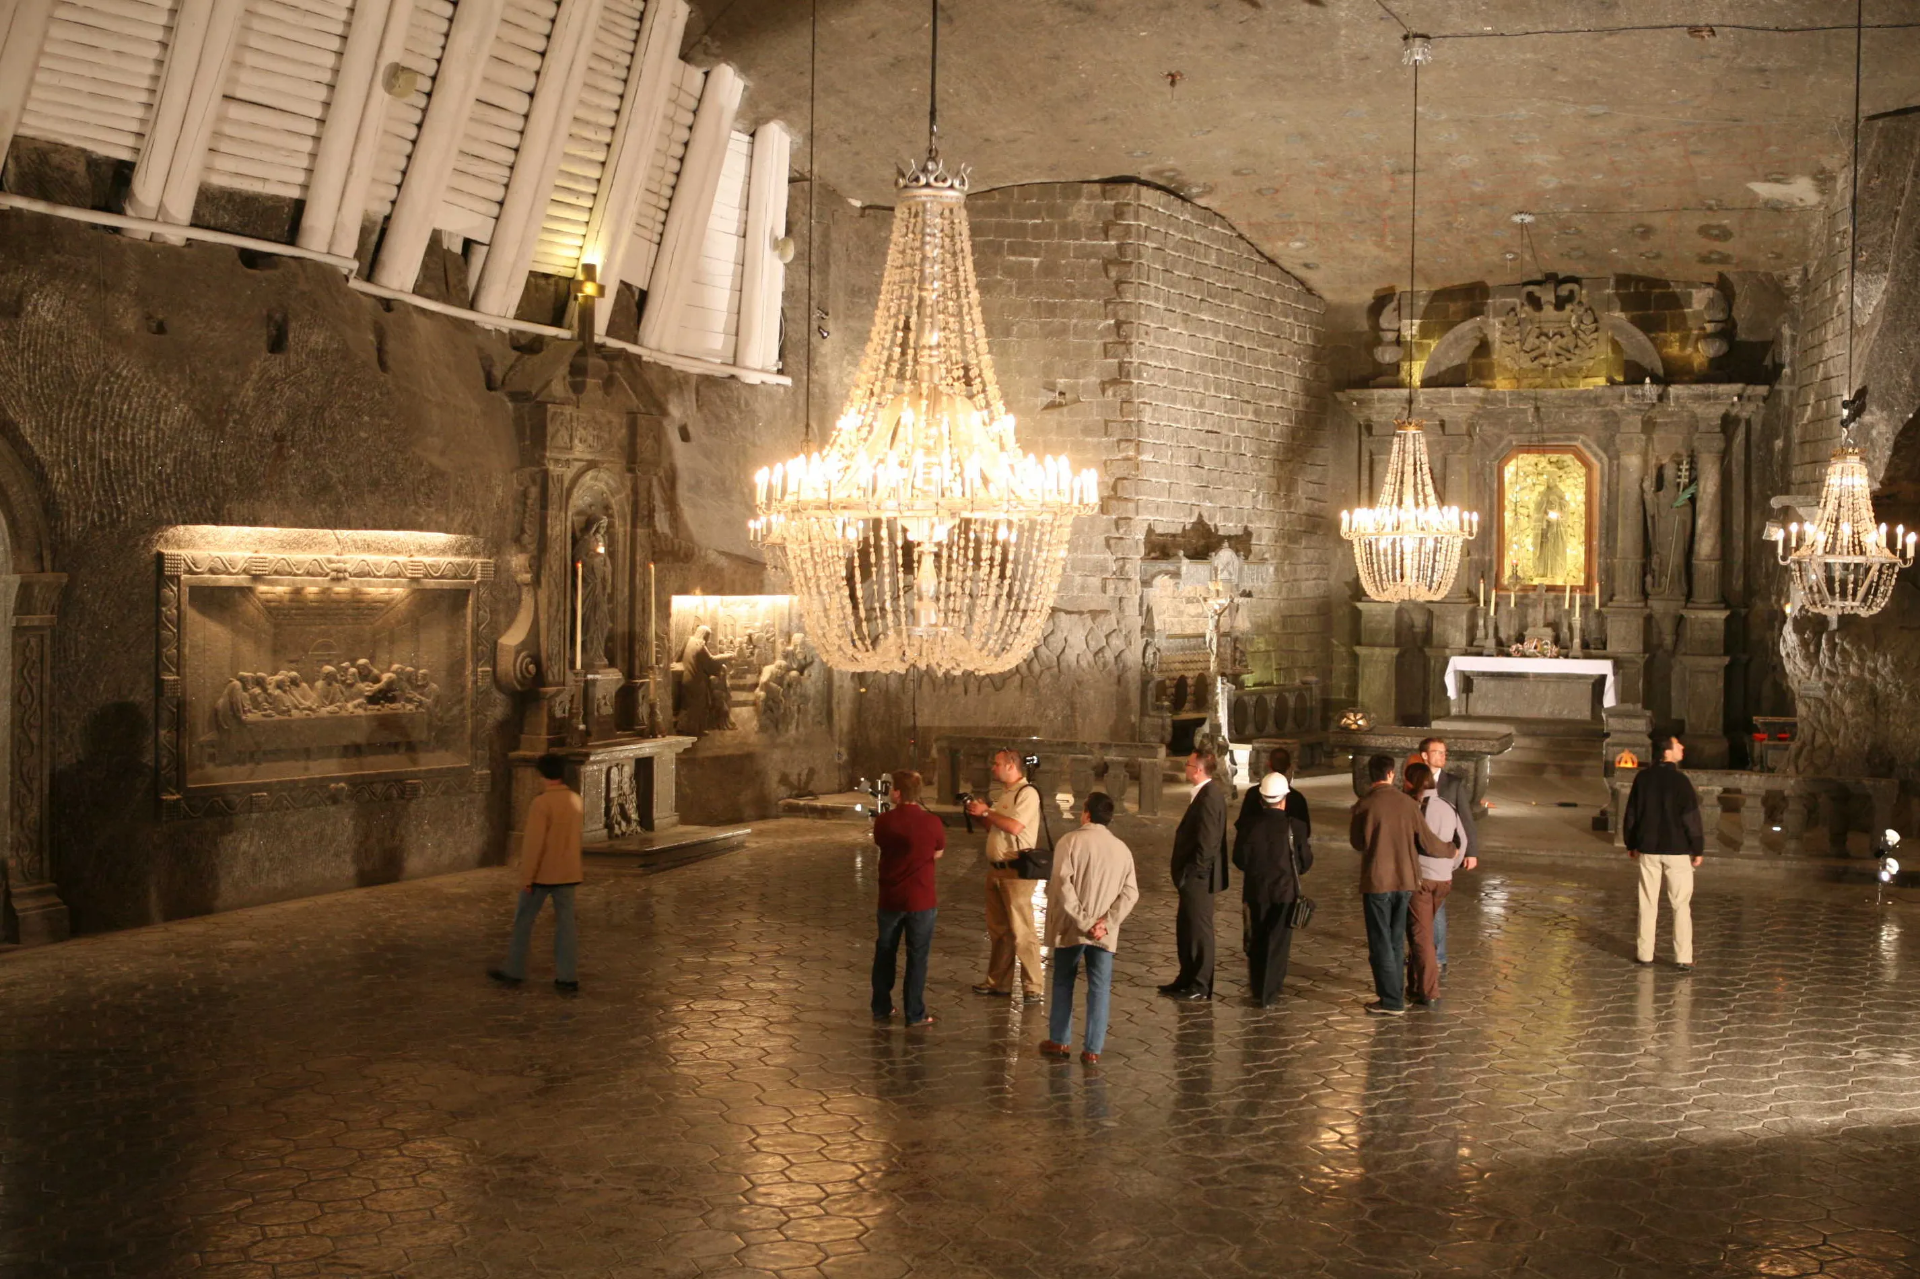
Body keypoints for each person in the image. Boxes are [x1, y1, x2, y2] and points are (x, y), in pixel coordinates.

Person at [1039, 793, 1140, 1064]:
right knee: (1099, 987)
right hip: (1103, 934)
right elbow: (1130, 893)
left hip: (1071, 927)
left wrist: (1083, 921)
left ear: (1086, 813)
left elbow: (1062, 885)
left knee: (1063, 981)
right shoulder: (1122, 849)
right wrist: (1105, 923)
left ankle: (1059, 1041)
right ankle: (1093, 1049)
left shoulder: (1069, 842)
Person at [1349, 754, 1446, 1016]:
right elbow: (1427, 840)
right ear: (1391, 773)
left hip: (1377, 881)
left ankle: (1391, 1000)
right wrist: (1452, 850)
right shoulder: (1408, 804)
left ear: (1370, 775)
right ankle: (1396, 994)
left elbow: (1357, 843)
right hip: (1406, 880)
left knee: (1379, 941)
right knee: (1394, 939)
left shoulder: (1363, 805)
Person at [490, 753, 585, 992]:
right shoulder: (575, 799)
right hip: (568, 873)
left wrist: (527, 877)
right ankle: (567, 976)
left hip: (542, 874)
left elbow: (534, 844)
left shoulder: (541, 804)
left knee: (524, 921)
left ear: (541, 774)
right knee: (566, 925)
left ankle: (514, 970)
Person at [965, 749, 1046, 1004]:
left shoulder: (1027, 793)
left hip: (1016, 871)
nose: (993, 768)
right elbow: (997, 828)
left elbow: (1014, 827)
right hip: (996, 870)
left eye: (996, 763)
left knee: (1022, 931)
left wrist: (988, 812)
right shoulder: (1006, 794)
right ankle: (998, 982)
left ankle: (1033, 985)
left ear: (1011, 765)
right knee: (999, 932)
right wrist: (980, 817)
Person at [1623, 732, 1704, 971]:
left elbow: (1632, 814)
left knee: (1647, 901)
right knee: (1680, 904)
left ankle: (1645, 953)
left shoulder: (1643, 778)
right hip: (1677, 850)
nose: (1682, 747)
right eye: (1678, 744)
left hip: (1648, 847)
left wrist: (1631, 843)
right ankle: (1683, 956)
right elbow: (1691, 818)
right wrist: (1697, 848)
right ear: (1667, 751)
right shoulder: (1681, 781)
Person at [870, 770, 945, 1027]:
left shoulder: (884, 821)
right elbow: (938, 852)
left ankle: (881, 1006)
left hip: (890, 898)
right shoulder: (932, 822)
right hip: (921, 899)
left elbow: (882, 845)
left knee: (885, 951)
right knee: (917, 956)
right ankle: (915, 1013)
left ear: (898, 793)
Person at [1233, 770, 1312, 1007]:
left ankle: (1257, 986)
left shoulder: (1248, 826)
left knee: (1257, 938)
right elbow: (1305, 862)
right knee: (1278, 943)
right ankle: (1271, 991)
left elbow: (1239, 859)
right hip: (1284, 892)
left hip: (1256, 891)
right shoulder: (1295, 827)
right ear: (1284, 799)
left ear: (1261, 798)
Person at [1159, 749, 1231, 1001]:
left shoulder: (1210, 797)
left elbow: (1208, 842)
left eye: (1188, 764)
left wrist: (1193, 874)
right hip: (1192, 878)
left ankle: (1200, 985)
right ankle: (1186, 977)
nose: (1186, 767)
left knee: (1199, 931)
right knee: (1186, 927)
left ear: (1198, 770)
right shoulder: (1203, 794)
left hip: (1199, 879)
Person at [1403, 762, 1465, 1007]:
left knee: (1421, 936)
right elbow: (1463, 839)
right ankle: (1415, 985)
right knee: (1423, 931)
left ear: (1410, 782)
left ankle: (1429, 990)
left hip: (1421, 880)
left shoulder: (1413, 808)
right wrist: (1449, 868)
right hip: (1443, 879)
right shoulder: (1448, 806)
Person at [1417, 737, 1479, 977]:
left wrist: (1471, 851)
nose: (1443, 756)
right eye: (1437, 752)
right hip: (1420, 854)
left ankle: (1439, 956)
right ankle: (1423, 951)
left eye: (1444, 752)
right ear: (1424, 755)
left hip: (1443, 854)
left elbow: (1466, 819)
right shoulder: (1414, 780)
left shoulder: (1453, 783)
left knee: (1438, 907)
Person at [1236, 745, 1312, 837]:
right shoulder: (1297, 798)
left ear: (1269, 764)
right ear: (1289, 766)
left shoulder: (1252, 793)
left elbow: (1242, 826)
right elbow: (1305, 831)